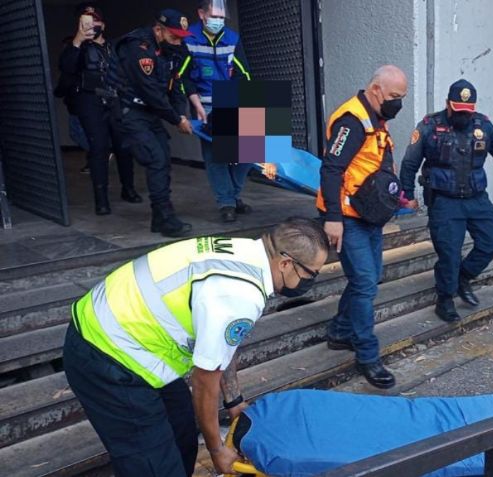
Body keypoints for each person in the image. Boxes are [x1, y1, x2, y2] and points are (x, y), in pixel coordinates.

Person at [63, 217, 329, 476]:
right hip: (107, 356)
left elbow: (222, 345)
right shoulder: (240, 295)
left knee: (181, 425)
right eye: (310, 273)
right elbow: (204, 380)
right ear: (285, 263)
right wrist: (216, 450)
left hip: (124, 336)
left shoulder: (242, 251)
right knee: (152, 462)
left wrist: (233, 400)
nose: (311, 280)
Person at [400, 79, 493, 321]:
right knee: (449, 252)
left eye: (467, 111)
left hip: (476, 198)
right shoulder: (429, 126)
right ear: (448, 105)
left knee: (492, 240)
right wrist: (406, 195)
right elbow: (410, 163)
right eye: (458, 110)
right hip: (444, 201)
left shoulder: (483, 125)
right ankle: (445, 299)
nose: (463, 116)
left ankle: (463, 277)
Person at [318, 65, 408, 389]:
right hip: (347, 218)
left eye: (402, 98)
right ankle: (368, 355)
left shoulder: (376, 120)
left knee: (366, 280)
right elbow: (331, 169)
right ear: (375, 89)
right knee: (366, 282)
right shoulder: (352, 121)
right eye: (395, 97)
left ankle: (340, 331)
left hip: (367, 215)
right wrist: (332, 217)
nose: (398, 103)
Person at [108, 9, 195, 237]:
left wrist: (181, 113)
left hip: (151, 113)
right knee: (155, 158)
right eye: (174, 36)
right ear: (158, 30)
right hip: (131, 112)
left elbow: (175, 85)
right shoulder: (138, 49)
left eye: (181, 37)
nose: (178, 42)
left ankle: (160, 219)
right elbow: (150, 92)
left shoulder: (173, 50)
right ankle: (165, 219)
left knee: (163, 159)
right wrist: (176, 120)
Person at [57, 3, 141, 216]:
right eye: (87, 21)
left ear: (103, 23)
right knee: (99, 149)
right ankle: (101, 199)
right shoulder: (75, 47)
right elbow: (66, 67)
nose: (92, 25)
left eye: (95, 20)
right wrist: (78, 40)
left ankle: (128, 189)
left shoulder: (115, 46)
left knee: (124, 146)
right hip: (90, 103)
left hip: (115, 100)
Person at [180, 0, 254, 222]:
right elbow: (182, 76)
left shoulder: (232, 38)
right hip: (203, 104)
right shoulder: (189, 38)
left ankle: (232, 194)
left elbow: (244, 74)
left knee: (249, 153)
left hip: (230, 101)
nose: (218, 21)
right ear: (201, 14)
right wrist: (197, 106)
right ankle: (227, 203)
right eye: (214, 16)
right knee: (215, 156)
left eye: (222, 17)